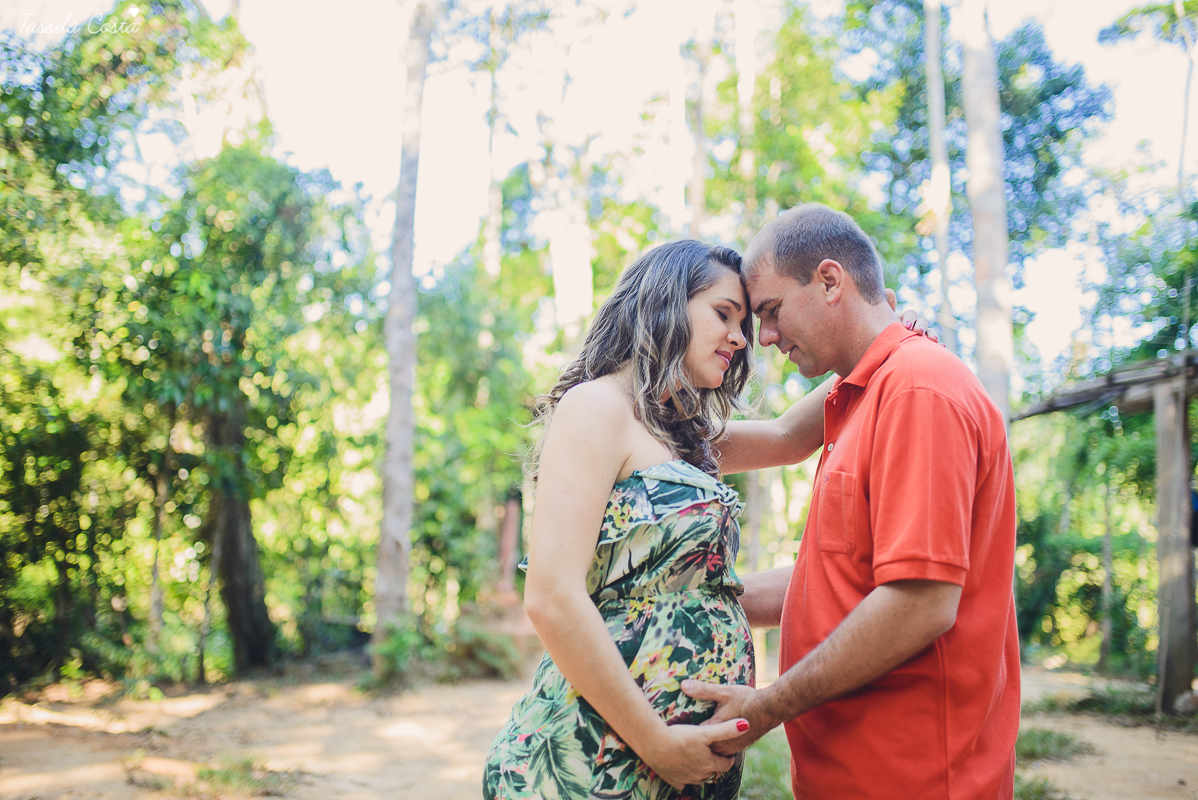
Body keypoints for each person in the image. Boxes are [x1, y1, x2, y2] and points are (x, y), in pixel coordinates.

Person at [682, 203, 1020, 799]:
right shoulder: (860, 395)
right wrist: (690, 596)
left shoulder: (918, 389)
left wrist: (764, 708)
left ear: (831, 281)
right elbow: (836, 579)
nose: (764, 337)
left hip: (912, 779)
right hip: (849, 775)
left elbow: (917, 605)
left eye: (771, 311)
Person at [482, 240, 764, 800]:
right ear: (664, 301)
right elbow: (552, 596)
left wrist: (881, 335)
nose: (739, 337)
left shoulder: (678, 434)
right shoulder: (598, 407)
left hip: (675, 775)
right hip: (595, 761)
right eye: (723, 313)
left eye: (745, 324)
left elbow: (791, 437)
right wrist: (655, 742)